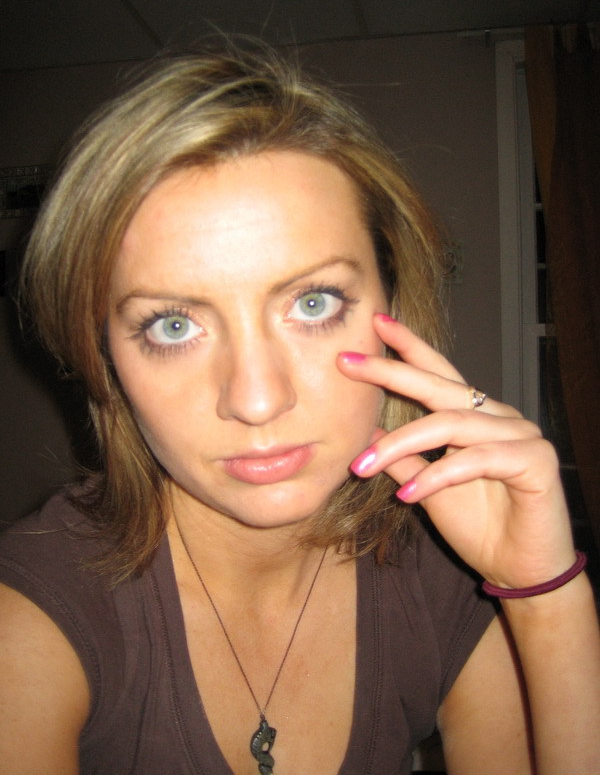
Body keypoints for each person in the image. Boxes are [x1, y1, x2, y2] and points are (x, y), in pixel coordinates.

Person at [0, 39, 599, 775]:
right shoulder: (33, 611)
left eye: (313, 303)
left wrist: (543, 594)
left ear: (393, 304)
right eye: (173, 325)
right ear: (103, 359)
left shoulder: (445, 566)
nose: (257, 400)